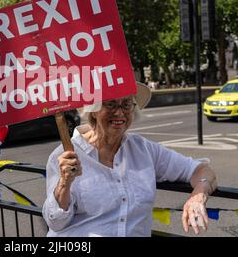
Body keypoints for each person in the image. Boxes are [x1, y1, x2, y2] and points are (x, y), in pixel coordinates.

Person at [43, 82, 217, 237]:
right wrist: (64, 183)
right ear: (94, 110)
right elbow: (56, 223)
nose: (119, 112)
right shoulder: (64, 156)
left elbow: (201, 170)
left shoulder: (143, 149)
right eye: (110, 104)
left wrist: (198, 195)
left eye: (126, 104)